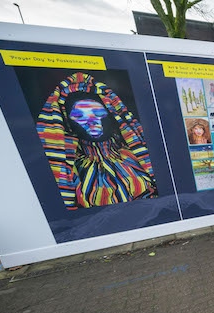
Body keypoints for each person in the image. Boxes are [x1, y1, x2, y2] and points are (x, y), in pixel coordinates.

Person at [37, 72, 157, 210]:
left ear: (110, 114)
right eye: (79, 116)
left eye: (98, 113)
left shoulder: (136, 153)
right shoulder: (69, 169)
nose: (91, 122)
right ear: (68, 121)